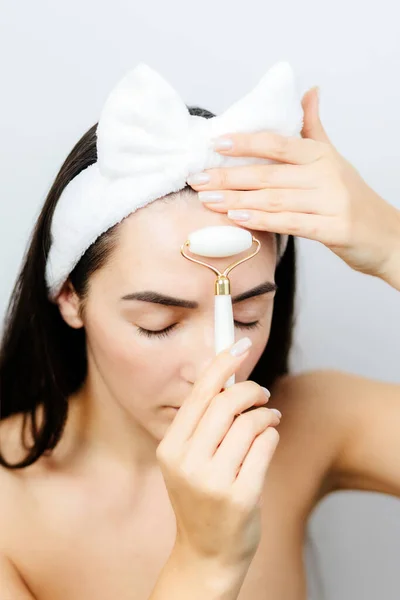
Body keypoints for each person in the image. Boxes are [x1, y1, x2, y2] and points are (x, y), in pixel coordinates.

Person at [0, 73, 399, 600]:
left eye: (248, 316)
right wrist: (207, 563)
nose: (218, 363)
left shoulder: (310, 423)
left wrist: (393, 244)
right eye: (157, 325)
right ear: (70, 297)